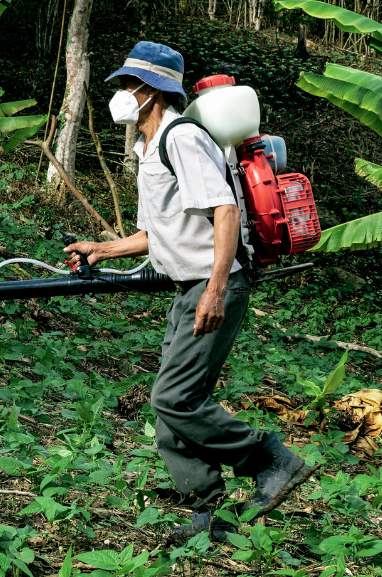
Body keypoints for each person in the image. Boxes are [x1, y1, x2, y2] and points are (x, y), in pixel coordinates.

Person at [63, 41, 313, 541]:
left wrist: (215, 289)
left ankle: (271, 457)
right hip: (186, 287)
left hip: (214, 284)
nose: (119, 93)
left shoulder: (181, 139)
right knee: (171, 409)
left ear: (152, 91)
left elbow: (226, 211)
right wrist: (102, 249)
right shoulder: (145, 147)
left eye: (127, 85)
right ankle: (207, 515)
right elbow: (159, 231)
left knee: (173, 397)